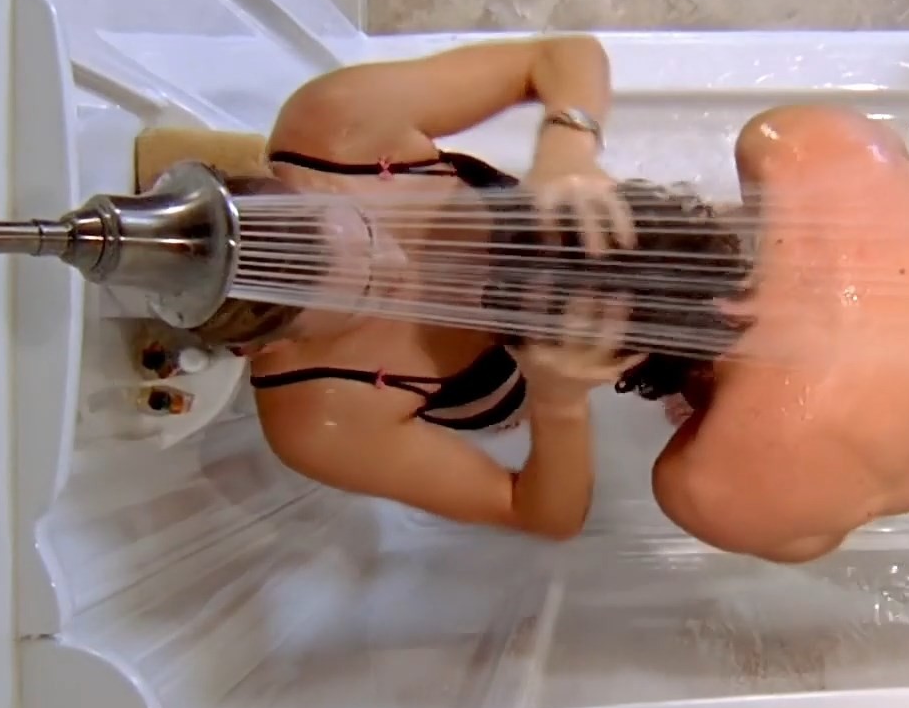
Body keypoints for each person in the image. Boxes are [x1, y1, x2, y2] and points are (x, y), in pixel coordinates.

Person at [483, 103, 909, 564]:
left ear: (617, 369)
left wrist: (559, 398)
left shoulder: (714, 485)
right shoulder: (799, 145)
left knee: (800, 508)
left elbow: (811, 544)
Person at [150, 35, 643, 540]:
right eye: (368, 293)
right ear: (262, 347)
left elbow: (564, 54)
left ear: (291, 184)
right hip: (548, 399)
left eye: (366, 232)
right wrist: (559, 402)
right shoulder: (319, 417)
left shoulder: (337, 125)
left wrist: (567, 145)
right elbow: (544, 516)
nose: (399, 261)